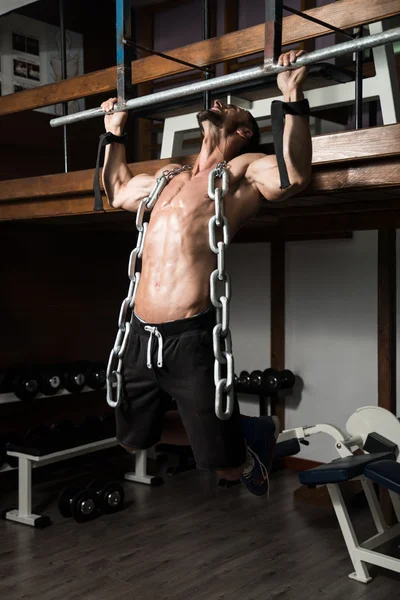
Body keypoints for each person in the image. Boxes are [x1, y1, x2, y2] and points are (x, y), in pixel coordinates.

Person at [100, 50, 312, 496]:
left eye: (228, 107)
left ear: (242, 130)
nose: (218, 102)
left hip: (191, 339)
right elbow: (117, 190)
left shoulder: (240, 171)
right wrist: (113, 133)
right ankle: (243, 429)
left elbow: (293, 175)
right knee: (131, 440)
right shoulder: (166, 177)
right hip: (139, 336)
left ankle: (246, 441)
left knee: (224, 468)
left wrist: (291, 98)